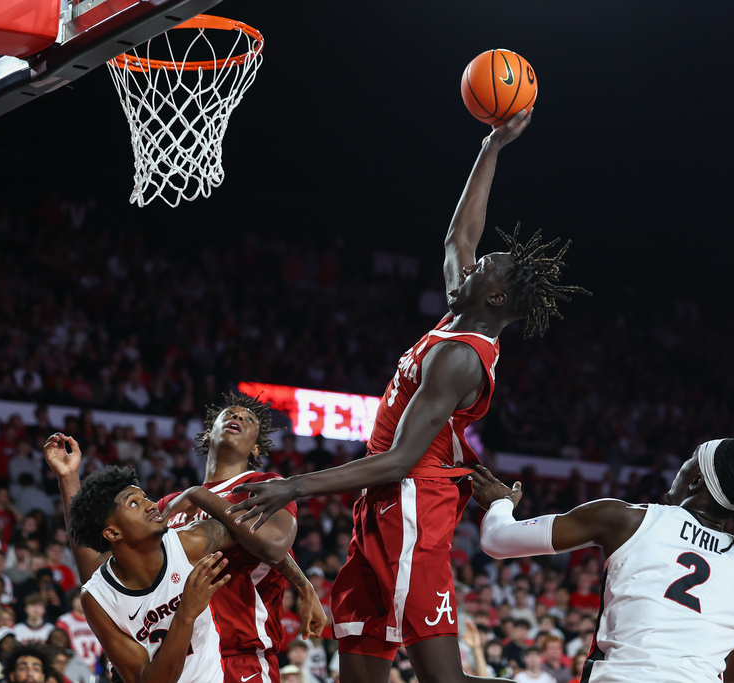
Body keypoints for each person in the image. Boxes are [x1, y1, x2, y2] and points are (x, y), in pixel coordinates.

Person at [228, 109, 587, 683]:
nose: (472, 264)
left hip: (411, 505)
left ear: (494, 300)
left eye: (485, 269)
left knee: (444, 680)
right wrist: (492, 146)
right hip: (383, 506)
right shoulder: (459, 311)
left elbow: (396, 458)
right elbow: (457, 236)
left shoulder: (461, 355)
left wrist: (294, 485)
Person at [470, 438, 734, 683]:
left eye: (688, 461)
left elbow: (496, 540)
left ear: (696, 480)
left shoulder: (628, 519)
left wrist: (500, 504)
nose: (680, 468)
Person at [51, 439, 300, 683]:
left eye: (145, 497)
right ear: (113, 533)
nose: (150, 505)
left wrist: (302, 585)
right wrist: (187, 612)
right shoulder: (96, 597)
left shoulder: (189, 542)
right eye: (134, 503)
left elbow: (263, 539)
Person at [156, 395, 327, 682]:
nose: (238, 418)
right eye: (230, 414)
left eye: (249, 420)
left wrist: (199, 495)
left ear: (256, 447)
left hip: (238, 656)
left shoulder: (265, 486)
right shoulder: (168, 504)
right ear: (209, 432)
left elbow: (274, 546)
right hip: (177, 658)